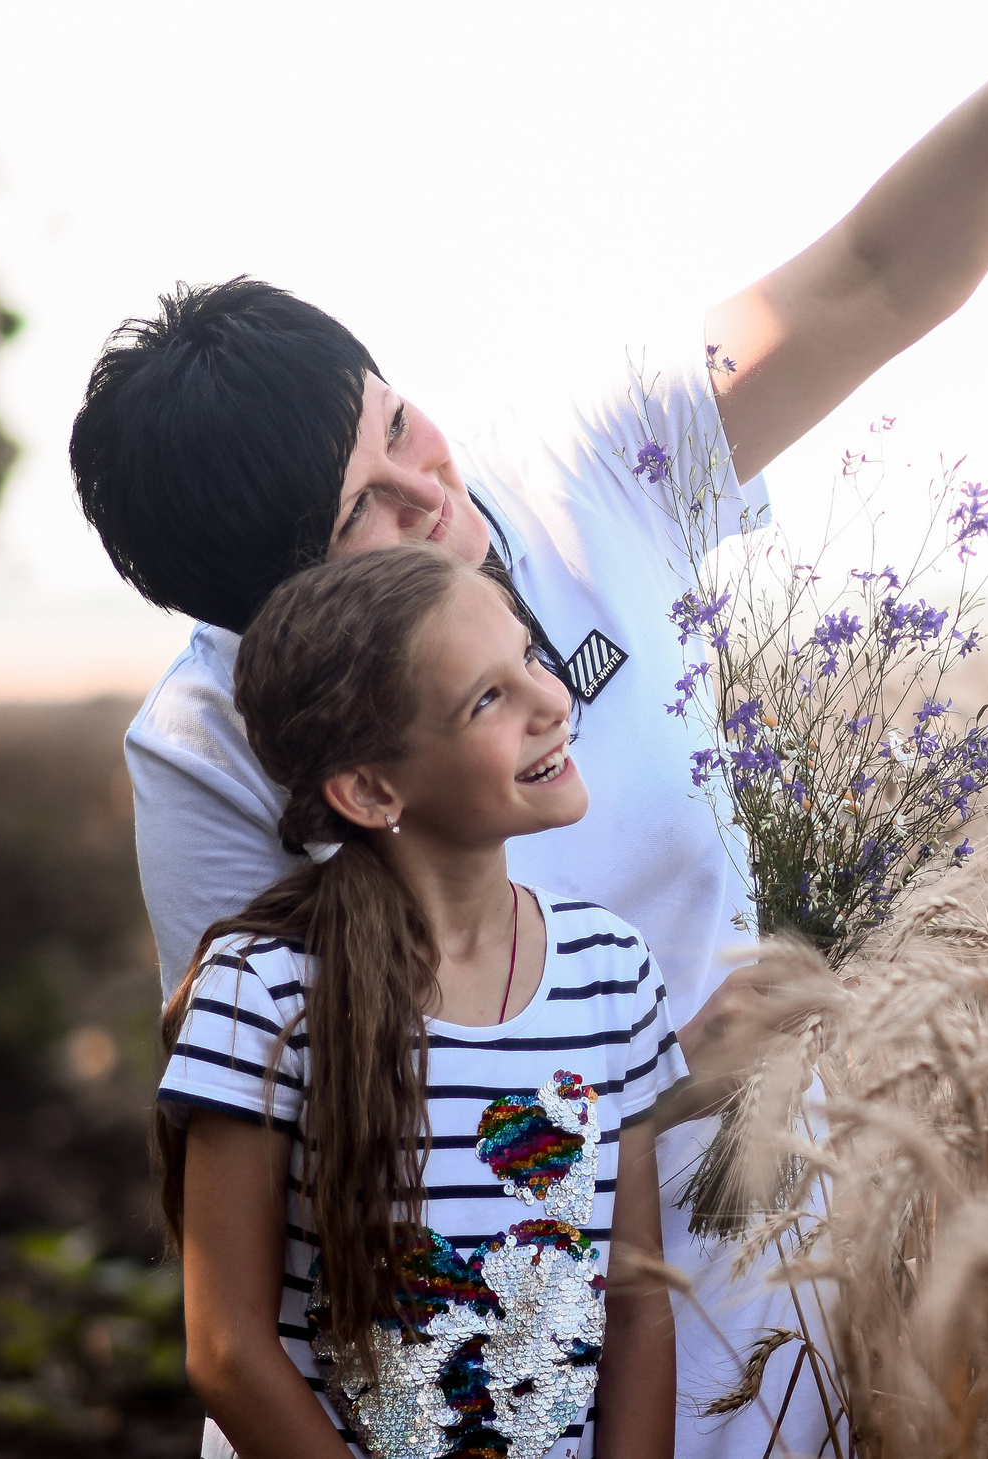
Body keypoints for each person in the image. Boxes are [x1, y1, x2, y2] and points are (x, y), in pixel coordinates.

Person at [74, 0, 988, 1453]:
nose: (428, 497)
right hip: (419, 1369)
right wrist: (660, 1081)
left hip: (738, 1293)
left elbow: (868, 278)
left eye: (400, 424)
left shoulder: (581, 472)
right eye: (360, 515)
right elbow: (292, 1150)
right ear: (271, 629)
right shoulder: (202, 746)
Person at [158, 543, 679, 1459]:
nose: (552, 700)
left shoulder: (612, 968)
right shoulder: (265, 990)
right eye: (488, 699)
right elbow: (228, 1350)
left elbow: (635, 1304)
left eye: (530, 657)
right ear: (370, 789)